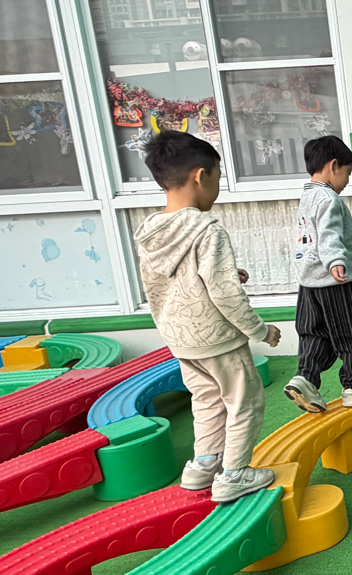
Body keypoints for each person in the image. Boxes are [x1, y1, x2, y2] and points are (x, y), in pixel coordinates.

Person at [134, 131, 279, 504]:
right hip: (217, 337)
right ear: (200, 176)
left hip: (181, 339)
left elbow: (175, 280)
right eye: (217, 176)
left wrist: (230, 273)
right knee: (244, 401)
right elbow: (224, 294)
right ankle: (234, 474)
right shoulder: (206, 229)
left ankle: (203, 466)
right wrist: (260, 330)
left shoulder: (151, 232)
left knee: (206, 399)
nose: (218, 186)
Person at [284, 136, 352, 413]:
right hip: (338, 281)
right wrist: (336, 261)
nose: (347, 181)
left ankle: (305, 378)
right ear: (333, 166)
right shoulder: (328, 199)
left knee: (314, 334)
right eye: (347, 173)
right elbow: (328, 234)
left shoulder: (307, 196)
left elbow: (314, 236)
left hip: (310, 283)